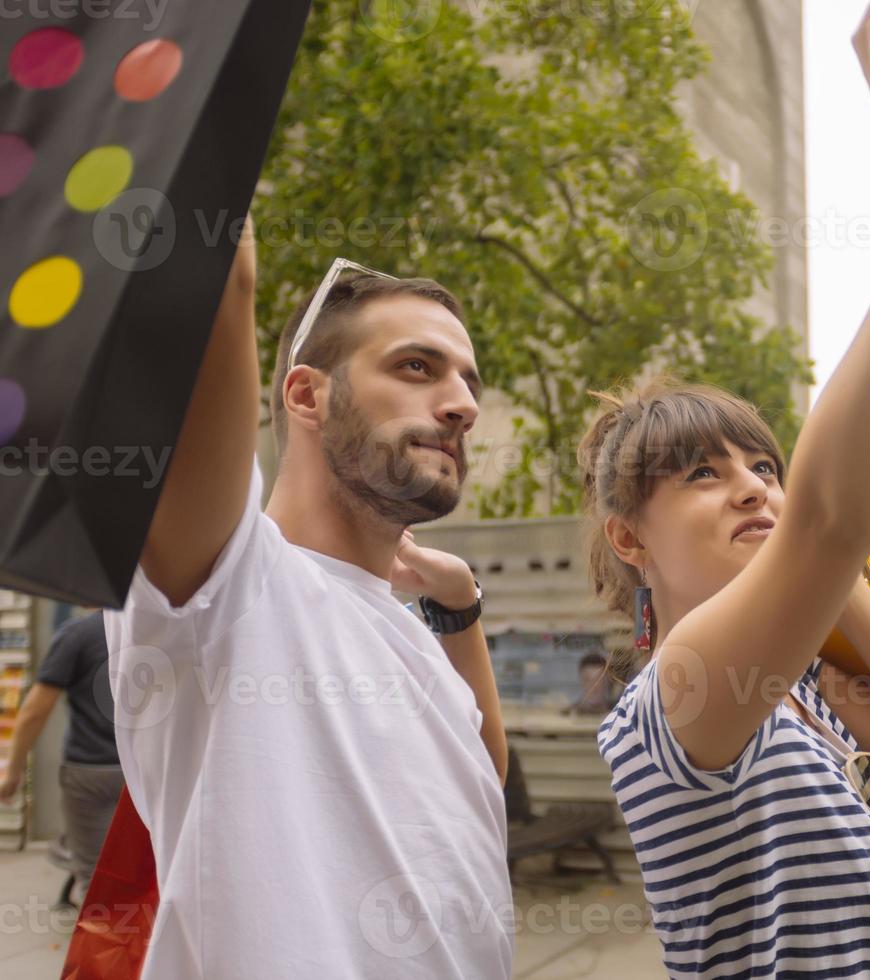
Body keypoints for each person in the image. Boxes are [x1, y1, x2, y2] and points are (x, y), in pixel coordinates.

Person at [577, 2, 870, 975]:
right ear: (629, 539)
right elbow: (830, 509)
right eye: (701, 473)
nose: (750, 487)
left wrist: (832, 575)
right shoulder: (672, 699)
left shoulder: (803, 686)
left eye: (762, 466)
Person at [102, 228, 513, 978]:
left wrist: (459, 611)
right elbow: (216, 269)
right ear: (305, 394)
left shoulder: (414, 630)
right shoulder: (230, 584)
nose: (461, 406)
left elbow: (479, 786)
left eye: (469, 383)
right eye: (417, 367)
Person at [0, 609, 123, 901]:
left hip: (89, 772)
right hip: (149, 771)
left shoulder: (77, 634)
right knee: (151, 870)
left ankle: (108, 941)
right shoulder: (158, 629)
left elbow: (35, 711)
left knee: (97, 879)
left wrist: (13, 771)